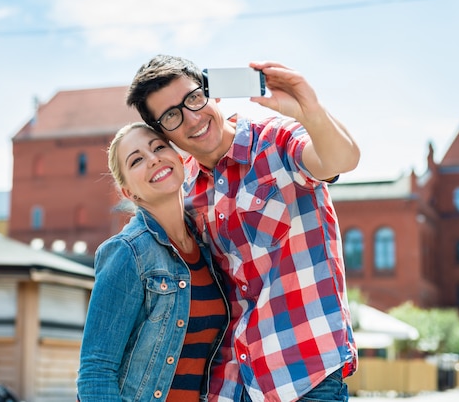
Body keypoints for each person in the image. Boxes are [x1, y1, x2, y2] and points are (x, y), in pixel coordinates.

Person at [126, 55, 361, 402]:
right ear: (164, 133)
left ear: (213, 95)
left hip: (304, 376)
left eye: (193, 98)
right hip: (229, 386)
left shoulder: (276, 143)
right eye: (172, 116)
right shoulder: (185, 190)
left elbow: (341, 160)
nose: (192, 118)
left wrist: (309, 110)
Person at [76, 122, 229, 401]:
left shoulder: (208, 246)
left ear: (180, 158)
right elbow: (95, 373)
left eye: (159, 147)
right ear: (128, 193)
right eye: (136, 160)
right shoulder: (127, 253)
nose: (153, 158)